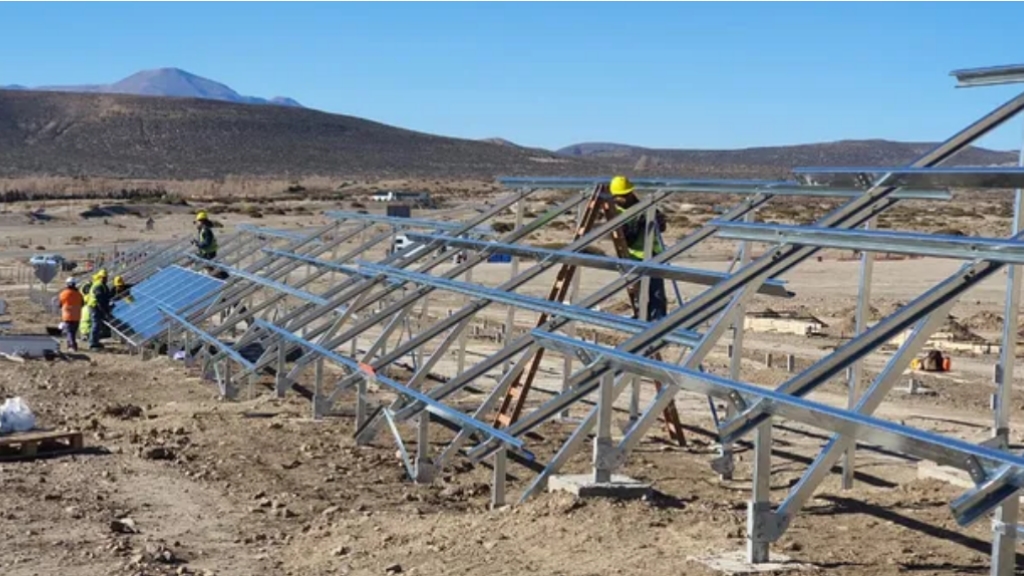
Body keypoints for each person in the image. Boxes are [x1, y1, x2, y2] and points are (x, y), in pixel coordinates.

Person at [610, 175, 668, 322]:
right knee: (640, 292)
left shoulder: (645, 206)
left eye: (625, 195)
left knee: (656, 292)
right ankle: (643, 317)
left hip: (654, 254)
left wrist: (658, 220)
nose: (622, 199)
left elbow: (662, 228)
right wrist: (639, 224)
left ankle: (658, 320)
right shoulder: (617, 213)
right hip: (634, 256)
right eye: (619, 196)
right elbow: (627, 239)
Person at [86, 269, 112, 350]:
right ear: (100, 277)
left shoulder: (103, 285)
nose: (105, 279)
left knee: (97, 325)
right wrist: (104, 311)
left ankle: (95, 341)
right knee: (96, 324)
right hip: (94, 306)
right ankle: (92, 343)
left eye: (106, 277)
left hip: (97, 307)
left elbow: (105, 298)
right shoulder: (98, 286)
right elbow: (99, 300)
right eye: (103, 277)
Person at [58, 278, 84, 352]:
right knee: (73, 332)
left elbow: (59, 304)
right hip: (77, 316)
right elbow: (82, 304)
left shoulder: (63, 293)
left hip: (67, 316)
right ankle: (71, 345)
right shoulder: (79, 294)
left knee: (69, 332)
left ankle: (72, 346)